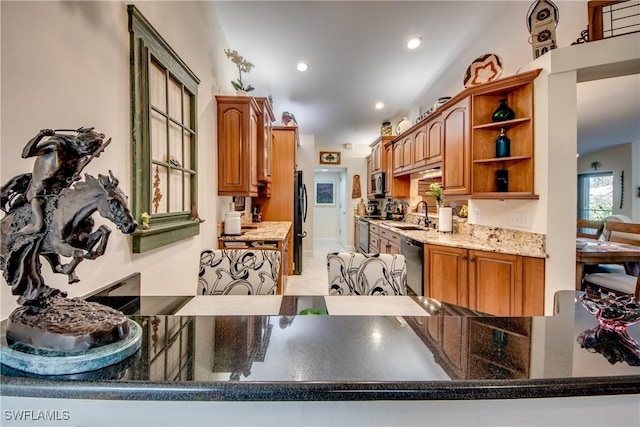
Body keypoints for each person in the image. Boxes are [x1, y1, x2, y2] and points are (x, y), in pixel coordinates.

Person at [16, 127, 106, 235]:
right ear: (84, 145)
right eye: (93, 149)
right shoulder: (56, 147)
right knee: (38, 227)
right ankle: (13, 239)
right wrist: (40, 136)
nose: (96, 153)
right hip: (39, 195)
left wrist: (72, 178)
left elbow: (66, 178)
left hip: (59, 196)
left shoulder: (80, 159)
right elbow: (26, 154)